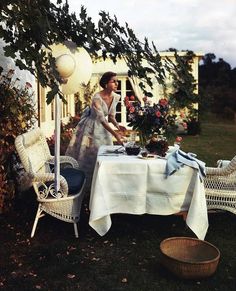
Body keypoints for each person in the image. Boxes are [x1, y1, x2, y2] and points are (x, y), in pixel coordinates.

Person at [66, 71, 126, 192]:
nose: (116, 84)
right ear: (105, 83)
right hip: (92, 128)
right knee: (90, 156)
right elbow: (102, 120)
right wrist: (115, 135)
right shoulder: (97, 98)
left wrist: (118, 126)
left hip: (104, 129)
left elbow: (111, 117)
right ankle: (86, 189)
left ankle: (103, 186)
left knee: (106, 157)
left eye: (117, 81)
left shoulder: (116, 97)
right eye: (113, 81)